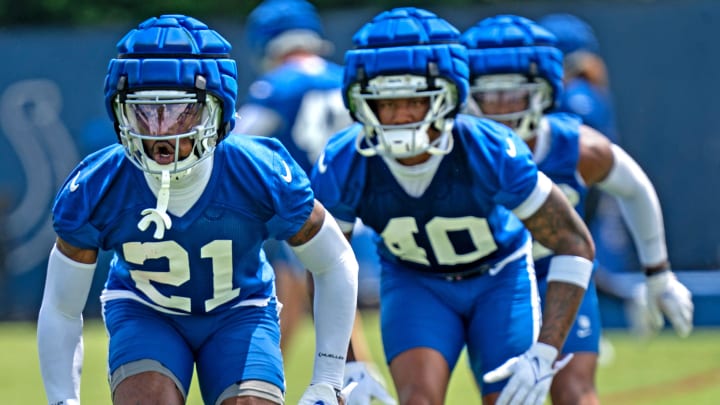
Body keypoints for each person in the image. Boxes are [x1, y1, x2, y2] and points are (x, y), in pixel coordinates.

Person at [36, 14, 358, 405]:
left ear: (217, 112)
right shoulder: (98, 184)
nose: (160, 130)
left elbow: (335, 260)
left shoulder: (258, 171)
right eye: (144, 112)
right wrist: (61, 399)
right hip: (146, 311)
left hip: (241, 310)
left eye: (180, 112)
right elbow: (60, 306)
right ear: (119, 112)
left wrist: (328, 377)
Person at [312, 7, 597, 405]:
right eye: (385, 103)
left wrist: (545, 351)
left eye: (414, 100)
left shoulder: (489, 147)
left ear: (446, 98)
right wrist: (345, 363)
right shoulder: (344, 160)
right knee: (418, 400)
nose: (399, 117)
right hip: (415, 283)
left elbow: (572, 240)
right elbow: (327, 267)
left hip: (500, 278)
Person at [460, 14, 694, 405]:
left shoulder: (572, 144)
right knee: (508, 398)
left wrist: (659, 273)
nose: (501, 106)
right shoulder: (448, 151)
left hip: (559, 271)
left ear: (545, 90)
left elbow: (635, 187)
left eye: (515, 93)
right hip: (493, 280)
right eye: (488, 93)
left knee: (576, 393)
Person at [236, 3, 393, 404]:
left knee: (292, 300)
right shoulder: (343, 78)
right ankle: (352, 379)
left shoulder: (278, 85)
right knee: (321, 298)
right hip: (358, 206)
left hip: (306, 212)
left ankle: (260, 386)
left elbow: (236, 140)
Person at [537, 13, 641, 308]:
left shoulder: (577, 94)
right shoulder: (589, 90)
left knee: (567, 255)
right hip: (582, 182)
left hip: (572, 182)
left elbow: (575, 141)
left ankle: (619, 303)